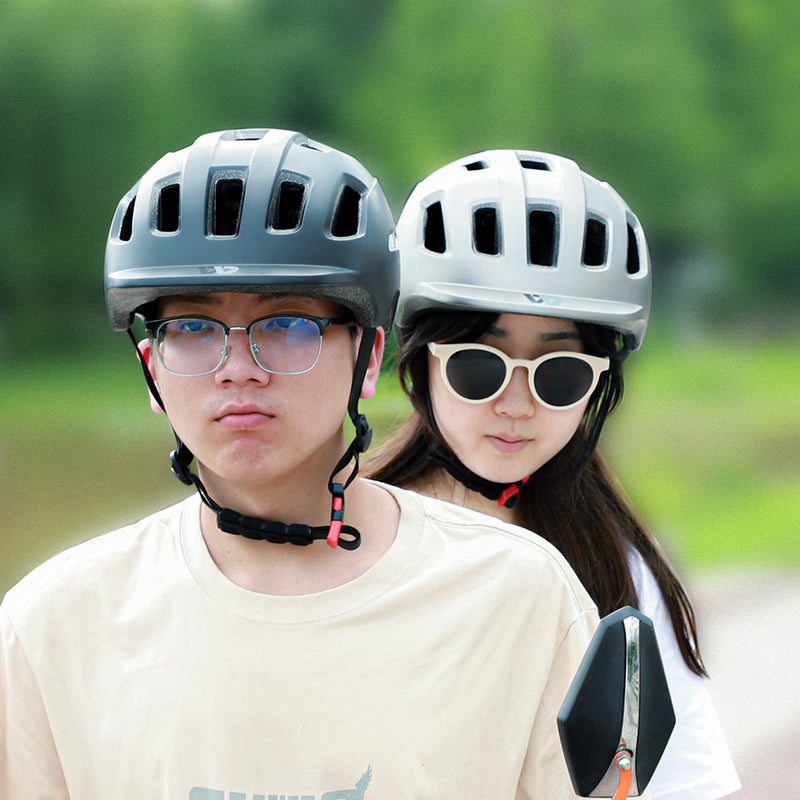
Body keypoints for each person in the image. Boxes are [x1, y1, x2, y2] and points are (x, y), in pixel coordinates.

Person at [0, 129, 599, 798]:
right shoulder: (53, 626)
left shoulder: (518, 596)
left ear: (369, 358)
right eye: (193, 329)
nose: (238, 370)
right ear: (152, 369)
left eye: (288, 324)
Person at [367, 149, 741, 799]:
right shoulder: (338, 538)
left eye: (559, 374)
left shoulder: (618, 566)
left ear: (599, 387)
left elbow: (683, 784)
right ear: (419, 364)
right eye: (478, 366)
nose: (516, 403)